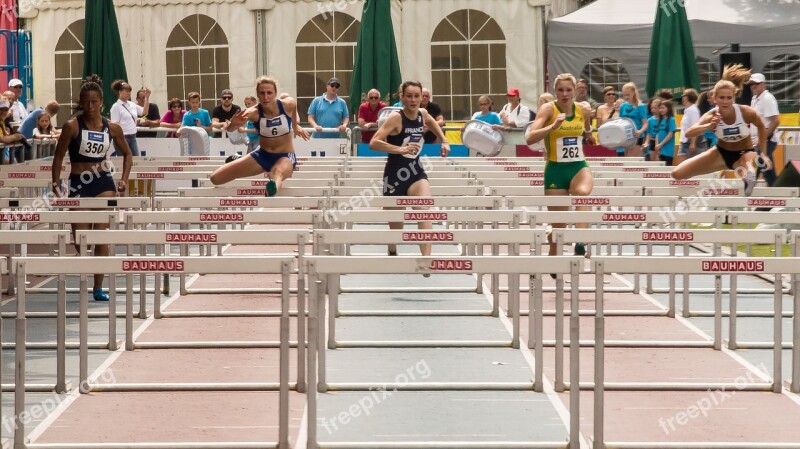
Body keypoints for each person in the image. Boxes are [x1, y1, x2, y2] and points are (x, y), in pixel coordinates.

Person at [51, 75, 133, 301]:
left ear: (101, 102)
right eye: (86, 101)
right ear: (81, 101)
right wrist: (55, 181)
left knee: (101, 236)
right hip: (78, 184)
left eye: (94, 101)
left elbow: (127, 154)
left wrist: (124, 179)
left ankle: (98, 287)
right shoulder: (71, 126)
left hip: (104, 183)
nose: (90, 106)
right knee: (79, 239)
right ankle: (86, 266)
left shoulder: (112, 128)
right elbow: (58, 157)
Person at [369, 80, 450, 260]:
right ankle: (392, 246)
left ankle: (427, 258)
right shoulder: (396, 118)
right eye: (409, 96)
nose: (413, 100)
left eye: (416, 96)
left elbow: (433, 123)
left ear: (422, 97)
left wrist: (444, 140)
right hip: (394, 173)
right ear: (402, 97)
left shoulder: (423, 114)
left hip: (415, 170)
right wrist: (400, 149)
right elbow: (374, 142)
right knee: (397, 225)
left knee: (424, 209)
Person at [526, 73, 595, 261]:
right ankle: (553, 244)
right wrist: (553, 127)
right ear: (555, 92)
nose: (564, 94)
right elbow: (530, 138)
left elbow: (586, 126)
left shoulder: (583, 109)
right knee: (559, 229)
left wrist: (589, 134)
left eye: (568, 90)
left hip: (578, 166)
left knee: (583, 193)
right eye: (560, 90)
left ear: (574, 91)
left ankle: (580, 241)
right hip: (555, 170)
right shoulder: (548, 110)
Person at [672, 64, 770, 197]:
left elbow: (761, 127)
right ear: (715, 98)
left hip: (744, 152)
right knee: (677, 174)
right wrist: (709, 125)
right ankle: (746, 174)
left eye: (729, 98)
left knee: (747, 162)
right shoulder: (712, 115)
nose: (725, 102)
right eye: (722, 98)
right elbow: (689, 132)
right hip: (720, 154)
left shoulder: (745, 112)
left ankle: (749, 177)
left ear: (734, 98)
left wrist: (763, 153)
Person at [210, 76, 309, 196]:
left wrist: (295, 125)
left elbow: (293, 107)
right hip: (262, 155)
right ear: (257, 94)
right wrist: (232, 125)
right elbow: (231, 128)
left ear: (275, 94)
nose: (266, 97)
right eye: (262, 93)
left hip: (285, 155)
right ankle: (239, 159)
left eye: (269, 93)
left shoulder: (287, 104)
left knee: (276, 173)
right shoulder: (253, 112)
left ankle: (271, 189)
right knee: (215, 178)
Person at [748, 73, 780, 186]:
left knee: (758, 164)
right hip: (760, 140)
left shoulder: (767, 99)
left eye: (756, 83)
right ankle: (776, 193)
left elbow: (775, 121)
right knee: (767, 169)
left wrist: (762, 138)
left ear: (763, 84)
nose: (753, 86)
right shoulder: (754, 99)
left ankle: (748, 188)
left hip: (767, 140)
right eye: (751, 84)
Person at [109, 80, 149, 156]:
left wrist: (147, 98)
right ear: (120, 92)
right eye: (126, 91)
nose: (129, 93)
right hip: (122, 137)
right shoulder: (116, 107)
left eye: (129, 91)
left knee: (136, 159)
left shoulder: (132, 104)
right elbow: (115, 124)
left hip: (133, 136)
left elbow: (144, 112)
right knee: (124, 160)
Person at [618, 82, 648, 157]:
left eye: (628, 95)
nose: (626, 97)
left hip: (636, 136)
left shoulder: (640, 106)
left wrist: (640, 131)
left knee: (631, 158)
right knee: (626, 158)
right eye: (624, 95)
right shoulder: (622, 106)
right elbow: (620, 121)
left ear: (633, 93)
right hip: (626, 136)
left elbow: (645, 123)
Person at [676, 89, 702, 163]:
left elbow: (695, 126)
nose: (682, 98)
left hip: (689, 141)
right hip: (684, 141)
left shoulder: (693, 110)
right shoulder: (687, 110)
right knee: (681, 165)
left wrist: (693, 143)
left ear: (687, 97)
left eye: (683, 95)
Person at [652, 100, 677, 166]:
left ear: (668, 108)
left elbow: (670, 134)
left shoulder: (671, 119)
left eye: (663, 108)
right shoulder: (661, 120)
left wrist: (661, 144)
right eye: (660, 108)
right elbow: (657, 134)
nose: (661, 110)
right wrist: (657, 145)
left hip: (668, 149)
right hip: (660, 149)